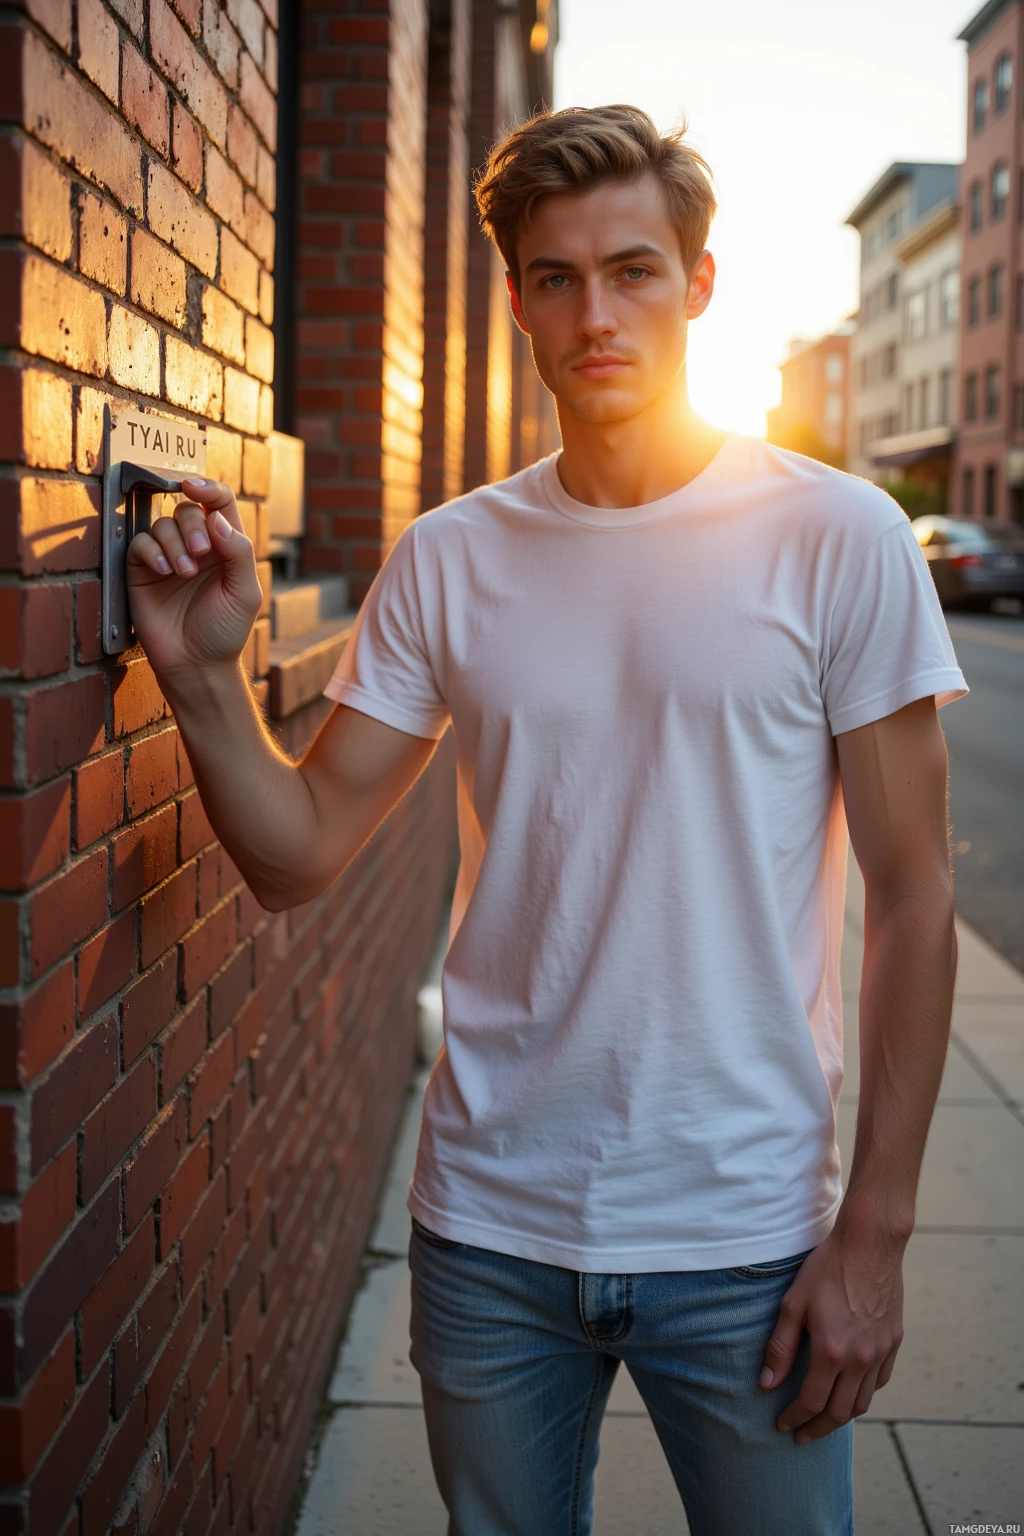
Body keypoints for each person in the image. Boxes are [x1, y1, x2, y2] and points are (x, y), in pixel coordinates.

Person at [127, 105, 967, 1536]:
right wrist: (203, 680)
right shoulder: (450, 559)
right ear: (515, 301)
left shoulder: (839, 538)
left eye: (634, 271)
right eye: (557, 279)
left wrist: (875, 1233)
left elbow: (913, 897)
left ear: (700, 284)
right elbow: (297, 853)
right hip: (490, 1231)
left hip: (744, 1235)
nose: (597, 314)